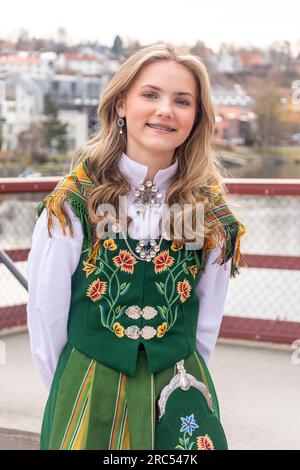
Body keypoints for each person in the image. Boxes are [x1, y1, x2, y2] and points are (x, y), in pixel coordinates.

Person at [26, 42, 247, 450]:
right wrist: (70, 384)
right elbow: (46, 313)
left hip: (179, 386)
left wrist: (184, 379)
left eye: (182, 101)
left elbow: (206, 319)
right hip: (90, 383)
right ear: (122, 103)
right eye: (150, 94)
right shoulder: (76, 201)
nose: (165, 109)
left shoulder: (207, 210)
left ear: (196, 117)